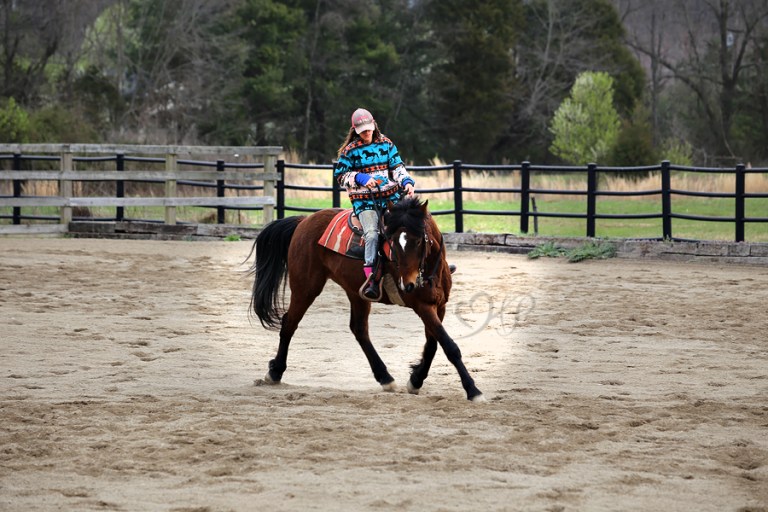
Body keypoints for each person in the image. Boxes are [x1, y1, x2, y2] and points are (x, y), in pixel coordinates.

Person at [334, 107, 415, 300]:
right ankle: (371, 278)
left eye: (368, 128)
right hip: (365, 202)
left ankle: (432, 265)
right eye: (362, 130)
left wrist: (406, 181)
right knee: (371, 234)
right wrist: (360, 178)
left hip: (391, 199)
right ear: (355, 130)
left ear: (373, 126)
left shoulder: (386, 144)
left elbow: (397, 167)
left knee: (416, 223)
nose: (366, 132)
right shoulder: (350, 151)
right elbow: (340, 175)